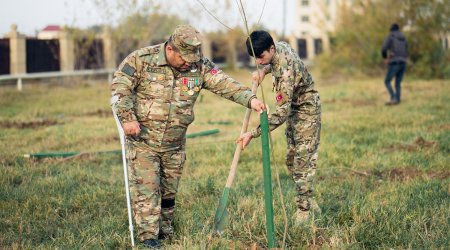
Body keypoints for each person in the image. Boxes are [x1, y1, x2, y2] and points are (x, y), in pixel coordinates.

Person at [110, 24, 265, 248]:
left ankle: (165, 232)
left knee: (168, 193)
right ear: (170, 49)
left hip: (175, 143)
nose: (188, 63)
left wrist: (251, 99)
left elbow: (224, 84)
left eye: (192, 59)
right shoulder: (141, 60)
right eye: (184, 58)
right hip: (143, 141)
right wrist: (127, 118)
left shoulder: (198, 66)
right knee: (147, 190)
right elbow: (120, 88)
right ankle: (148, 239)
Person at [238, 30, 321, 225]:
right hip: (294, 108)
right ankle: (308, 198)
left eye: (261, 57)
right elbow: (271, 61)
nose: (258, 61)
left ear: (271, 48)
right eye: (255, 58)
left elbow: (281, 113)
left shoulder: (285, 71)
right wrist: (263, 71)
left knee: (302, 162)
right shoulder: (278, 47)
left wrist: (254, 133)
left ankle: (304, 210)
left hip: (307, 110)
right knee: (291, 158)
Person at [381, 23, 408, 105]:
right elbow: (407, 50)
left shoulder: (391, 36)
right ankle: (398, 99)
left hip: (394, 62)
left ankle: (393, 98)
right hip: (403, 62)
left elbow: (384, 48)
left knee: (387, 81)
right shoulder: (404, 38)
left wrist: (385, 57)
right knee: (398, 83)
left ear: (391, 29)